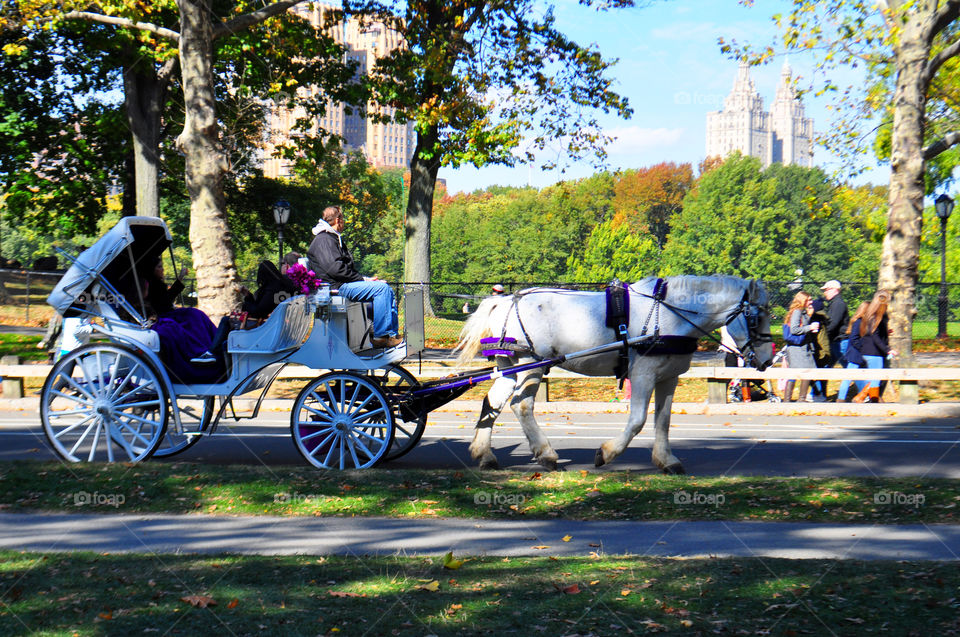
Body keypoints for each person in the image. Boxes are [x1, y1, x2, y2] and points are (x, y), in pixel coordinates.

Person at [306, 206, 401, 348]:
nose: (344, 223)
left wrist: (365, 279)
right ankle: (382, 336)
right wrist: (362, 279)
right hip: (335, 288)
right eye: (343, 219)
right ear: (338, 220)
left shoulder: (330, 238)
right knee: (381, 289)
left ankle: (391, 335)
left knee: (385, 288)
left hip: (341, 284)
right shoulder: (324, 240)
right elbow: (336, 269)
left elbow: (342, 269)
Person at [143, 258, 219, 383]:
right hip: (164, 315)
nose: (162, 269)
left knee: (196, 314)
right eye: (159, 267)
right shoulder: (152, 285)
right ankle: (199, 350)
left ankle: (210, 346)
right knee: (192, 316)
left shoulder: (158, 284)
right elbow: (164, 302)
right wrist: (179, 280)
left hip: (169, 312)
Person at [850, 290, 897, 403]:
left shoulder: (869, 315)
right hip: (874, 352)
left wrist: (885, 332)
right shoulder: (878, 317)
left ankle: (864, 397)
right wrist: (888, 350)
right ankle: (871, 399)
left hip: (866, 351)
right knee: (876, 378)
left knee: (872, 377)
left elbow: (871, 334)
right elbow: (875, 337)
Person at [782, 290, 820, 402]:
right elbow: (794, 330)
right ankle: (799, 399)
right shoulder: (797, 311)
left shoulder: (800, 312)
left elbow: (802, 325)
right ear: (802, 300)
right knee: (806, 372)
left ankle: (789, 400)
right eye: (809, 300)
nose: (811, 302)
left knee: (798, 373)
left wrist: (809, 316)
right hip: (797, 349)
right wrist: (810, 327)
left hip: (802, 348)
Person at [836, 301, 870, 402]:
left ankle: (864, 395)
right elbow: (854, 339)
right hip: (855, 355)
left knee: (863, 376)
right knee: (848, 377)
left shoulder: (864, 322)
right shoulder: (858, 322)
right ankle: (841, 398)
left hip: (860, 354)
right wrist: (863, 348)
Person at [821, 280, 850, 366]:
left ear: (834, 290)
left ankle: (862, 380)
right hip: (835, 340)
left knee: (849, 367)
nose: (825, 293)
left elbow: (833, 323)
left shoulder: (838, 304)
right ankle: (819, 379)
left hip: (841, 341)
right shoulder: (834, 303)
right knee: (826, 365)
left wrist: (824, 334)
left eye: (826, 290)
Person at [809, 298, 832, 402]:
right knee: (823, 374)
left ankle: (817, 394)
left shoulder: (815, 319)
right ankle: (822, 394)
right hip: (825, 348)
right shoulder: (823, 318)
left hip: (819, 350)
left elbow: (813, 336)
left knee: (818, 373)